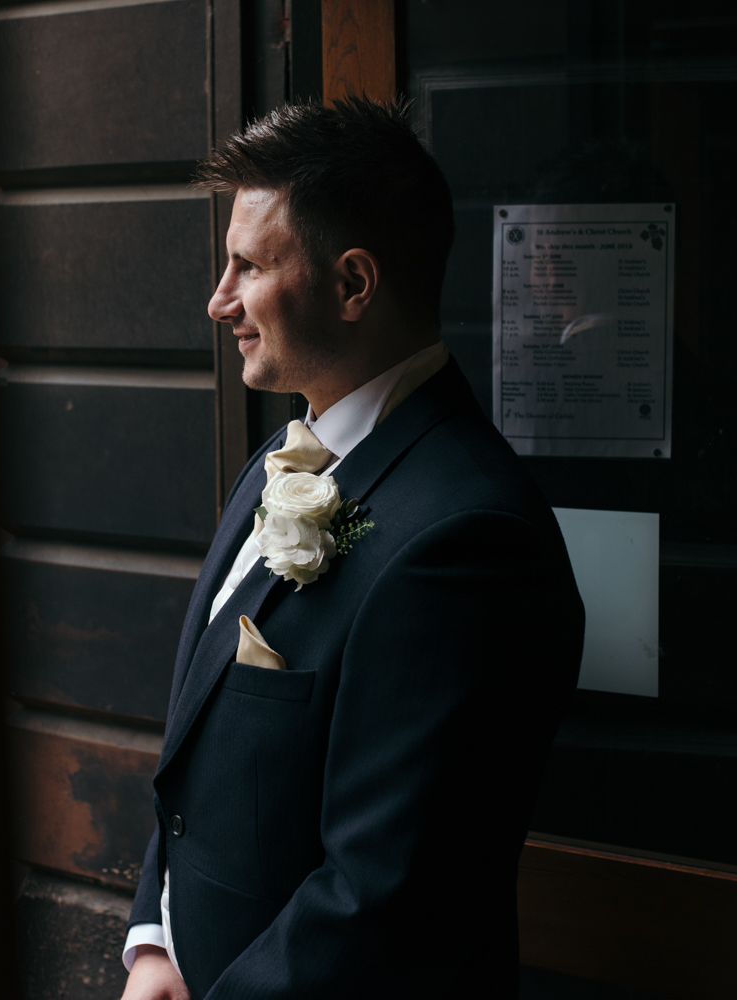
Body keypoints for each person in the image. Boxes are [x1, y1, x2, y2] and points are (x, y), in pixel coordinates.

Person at [120, 99, 585, 1000]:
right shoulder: (281, 462)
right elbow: (204, 762)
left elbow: (389, 897)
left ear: (353, 283)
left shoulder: (466, 541)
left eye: (248, 266)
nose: (219, 301)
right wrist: (156, 941)